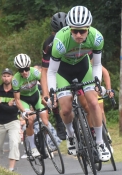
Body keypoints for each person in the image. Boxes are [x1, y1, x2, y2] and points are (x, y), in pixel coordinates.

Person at [46, 6, 111, 162]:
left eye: (82, 31)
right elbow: (51, 72)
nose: (79, 35)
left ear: (89, 28)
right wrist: (52, 92)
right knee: (66, 109)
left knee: (94, 104)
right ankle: (71, 136)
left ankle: (100, 143)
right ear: (69, 29)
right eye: (75, 31)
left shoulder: (97, 37)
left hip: (84, 68)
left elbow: (96, 65)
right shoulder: (60, 41)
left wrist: (97, 83)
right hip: (63, 72)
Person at [12, 53, 49, 158]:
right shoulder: (15, 80)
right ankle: (33, 148)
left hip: (35, 96)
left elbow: (43, 82)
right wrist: (24, 111)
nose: (24, 72)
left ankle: (46, 146)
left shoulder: (35, 72)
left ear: (29, 67)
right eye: (21, 70)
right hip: (24, 100)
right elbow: (17, 99)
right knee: (30, 120)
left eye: (26, 69)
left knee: (45, 121)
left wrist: (45, 96)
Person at [40, 12, 68, 141]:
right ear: (53, 32)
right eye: (58, 32)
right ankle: (60, 122)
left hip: (71, 67)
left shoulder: (75, 37)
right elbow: (45, 71)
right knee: (54, 97)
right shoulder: (48, 44)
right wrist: (46, 94)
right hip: (55, 71)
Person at [0, 68, 20, 171]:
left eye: (8, 76)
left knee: (14, 142)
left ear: (12, 77)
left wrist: (1, 105)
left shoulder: (15, 91)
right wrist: (8, 105)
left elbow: (15, 109)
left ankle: (11, 168)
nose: (6, 78)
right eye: (4, 76)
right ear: (1, 77)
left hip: (12, 121)